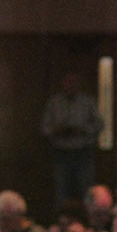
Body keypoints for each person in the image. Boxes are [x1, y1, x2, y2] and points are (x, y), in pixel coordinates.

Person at [40, 70, 103, 210]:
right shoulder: (54, 102)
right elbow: (44, 127)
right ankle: (61, 218)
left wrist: (83, 129)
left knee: (86, 188)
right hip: (61, 152)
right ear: (63, 84)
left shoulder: (88, 102)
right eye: (68, 82)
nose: (71, 85)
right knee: (61, 189)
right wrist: (58, 130)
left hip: (83, 151)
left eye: (74, 82)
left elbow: (99, 125)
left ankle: (89, 217)